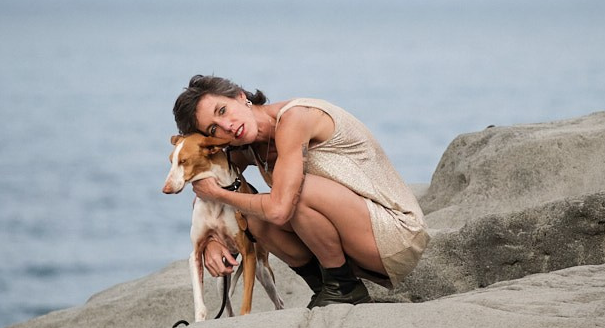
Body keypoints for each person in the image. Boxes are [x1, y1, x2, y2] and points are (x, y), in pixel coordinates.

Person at [172, 74, 428, 308]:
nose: (226, 126)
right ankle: (326, 287)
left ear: (240, 97)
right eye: (213, 129)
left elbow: (278, 209)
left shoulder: (295, 118)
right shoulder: (247, 146)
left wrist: (219, 195)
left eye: (223, 110)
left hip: (396, 233)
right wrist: (211, 241)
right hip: (358, 239)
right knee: (250, 218)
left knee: (295, 192)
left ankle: (344, 288)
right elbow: (208, 186)